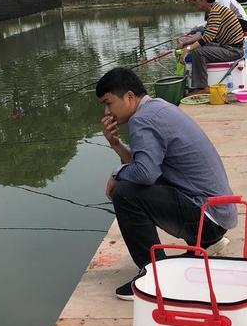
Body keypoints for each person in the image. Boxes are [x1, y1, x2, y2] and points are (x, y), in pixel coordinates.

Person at [97, 67, 237, 300]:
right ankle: (207, 243)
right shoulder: (156, 108)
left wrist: (116, 174)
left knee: (124, 193)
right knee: (131, 184)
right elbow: (147, 166)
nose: (107, 111)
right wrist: (115, 145)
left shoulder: (141, 120)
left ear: (129, 97)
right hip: (216, 214)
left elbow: (144, 174)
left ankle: (154, 276)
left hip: (207, 216)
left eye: (109, 103)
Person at [179, 0, 245, 92]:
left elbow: (208, 37)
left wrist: (188, 49)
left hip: (233, 50)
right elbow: (207, 33)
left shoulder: (215, 12)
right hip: (228, 47)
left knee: (198, 52)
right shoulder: (215, 8)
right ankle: (199, 84)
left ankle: (202, 87)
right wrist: (188, 42)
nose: (194, 1)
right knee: (198, 48)